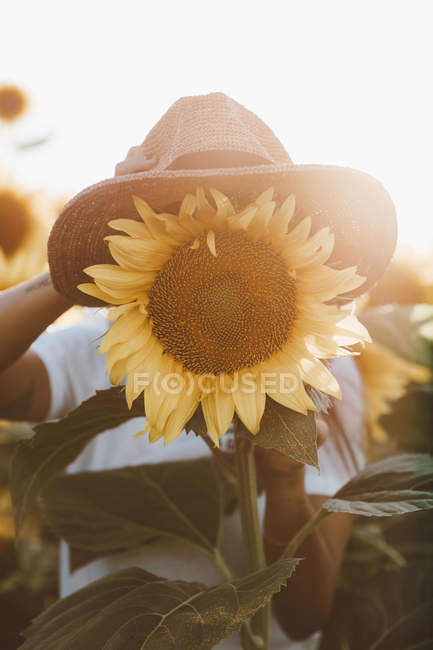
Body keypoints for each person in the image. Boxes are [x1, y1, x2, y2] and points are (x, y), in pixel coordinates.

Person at [0, 93, 396, 649]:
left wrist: (285, 482)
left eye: (243, 197)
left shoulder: (321, 370)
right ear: (143, 217)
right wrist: (75, 271)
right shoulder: (101, 349)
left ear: (290, 218)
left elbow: (304, 615)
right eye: (180, 199)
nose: (215, 209)